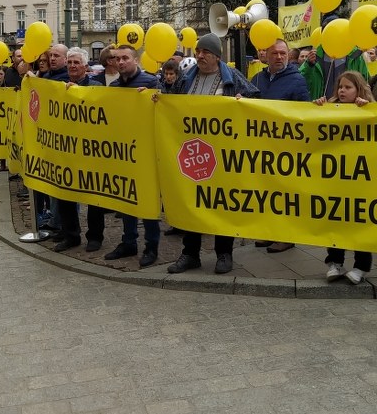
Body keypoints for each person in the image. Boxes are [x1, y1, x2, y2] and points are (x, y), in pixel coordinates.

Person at [166, 33, 260, 275]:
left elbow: (256, 100)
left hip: (222, 154)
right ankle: (190, 253)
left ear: (217, 56)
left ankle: (224, 253)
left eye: (205, 52)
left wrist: (244, 102)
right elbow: (169, 103)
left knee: (222, 203)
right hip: (192, 152)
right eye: (198, 51)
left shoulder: (232, 77)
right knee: (191, 203)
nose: (200, 56)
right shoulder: (186, 78)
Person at [103, 45, 162, 267]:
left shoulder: (151, 82)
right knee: (126, 199)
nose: (120, 62)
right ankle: (128, 242)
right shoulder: (115, 86)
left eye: (125, 58)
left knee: (147, 200)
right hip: (123, 153)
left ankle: (151, 246)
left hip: (146, 152)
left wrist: (152, 99)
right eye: (117, 59)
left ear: (135, 60)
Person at [250, 39, 310, 253]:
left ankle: (287, 237)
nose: (279, 57)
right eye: (274, 53)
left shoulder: (297, 80)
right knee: (267, 192)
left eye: (283, 53)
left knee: (285, 194)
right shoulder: (257, 79)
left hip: (286, 147)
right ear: (266, 55)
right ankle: (269, 232)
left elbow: (305, 114)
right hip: (263, 146)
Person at [321, 71, 375, 283]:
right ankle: (335, 262)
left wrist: (367, 110)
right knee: (335, 220)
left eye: (348, 87)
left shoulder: (371, 110)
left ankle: (361, 266)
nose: (342, 91)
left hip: (360, 177)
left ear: (359, 89)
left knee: (360, 222)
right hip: (335, 176)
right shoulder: (330, 107)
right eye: (340, 87)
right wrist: (316, 108)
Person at [53, 48, 107, 254]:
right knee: (65, 194)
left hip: (90, 151)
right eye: (70, 62)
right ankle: (71, 236)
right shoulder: (59, 87)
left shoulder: (96, 86)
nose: (72, 66)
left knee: (94, 196)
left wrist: (76, 93)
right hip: (66, 150)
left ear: (85, 66)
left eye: (76, 62)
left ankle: (95, 237)